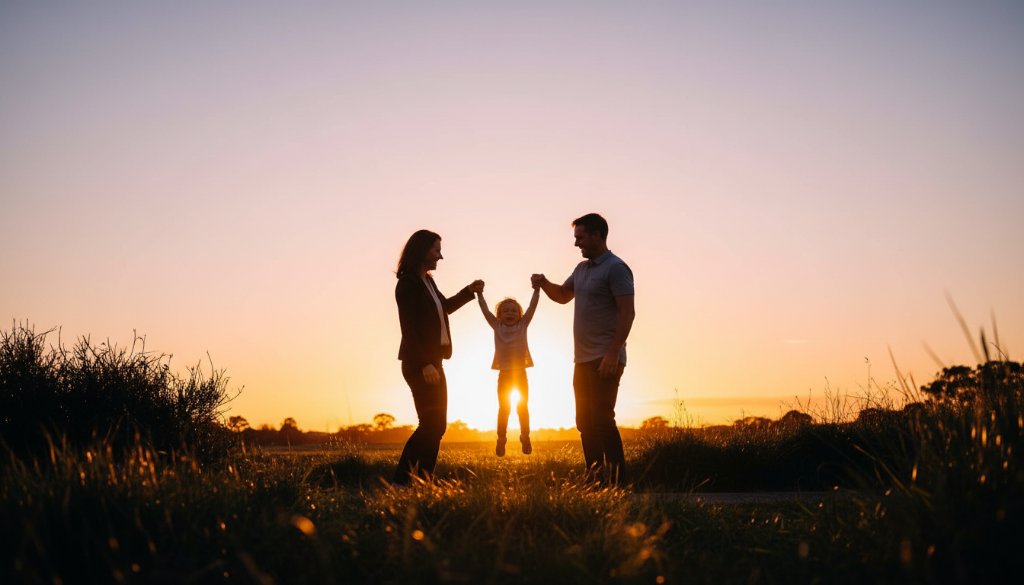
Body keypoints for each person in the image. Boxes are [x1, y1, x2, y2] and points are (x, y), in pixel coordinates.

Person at [532, 213, 635, 483]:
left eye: (580, 237)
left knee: (602, 419)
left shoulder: (616, 268)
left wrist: (613, 352)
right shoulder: (581, 270)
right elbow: (564, 296)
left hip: (606, 357)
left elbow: (627, 313)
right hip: (582, 360)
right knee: (585, 423)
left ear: (597, 235)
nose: (577, 244)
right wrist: (544, 284)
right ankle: (595, 478)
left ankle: (617, 481)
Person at [393, 229, 483, 485]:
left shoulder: (428, 281)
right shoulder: (408, 283)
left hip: (435, 362)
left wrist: (469, 291)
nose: (440, 256)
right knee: (430, 424)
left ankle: (423, 481)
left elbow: (445, 308)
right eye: (436, 250)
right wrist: (425, 364)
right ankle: (402, 481)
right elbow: (408, 329)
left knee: (437, 427)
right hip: (420, 364)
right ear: (422, 251)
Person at [475, 283, 541, 456]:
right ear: (499, 315)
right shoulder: (497, 326)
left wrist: (537, 289)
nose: (510, 314)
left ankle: (525, 436)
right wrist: (480, 294)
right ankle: (501, 438)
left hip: (521, 374)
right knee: (504, 408)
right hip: (504, 375)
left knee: (522, 407)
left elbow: (532, 306)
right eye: (506, 311)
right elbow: (485, 311)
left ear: (519, 314)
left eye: (513, 311)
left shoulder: (523, 325)